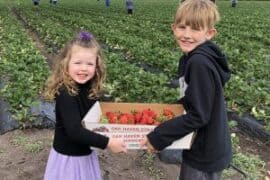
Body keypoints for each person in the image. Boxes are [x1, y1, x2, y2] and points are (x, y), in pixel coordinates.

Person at [140, 0, 232, 180]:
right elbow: (194, 98)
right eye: (182, 27)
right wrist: (169, 111)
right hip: (208, 143)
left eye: (195, 29)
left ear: (210, 33)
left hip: (204, 151)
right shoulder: (195, 57)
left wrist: (158, 136)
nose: (187, 35)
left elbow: (198, 115)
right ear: (173, 28)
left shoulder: (199, 63)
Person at [43, 31, 127, 180]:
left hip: (84, 154)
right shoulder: (65, 94)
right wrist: (108, 142)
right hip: (69, 159)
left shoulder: (89, 89)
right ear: (66, 63)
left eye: (89, 64)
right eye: (78, 63)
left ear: (97, 66)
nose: (84, 68)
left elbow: (93, 120)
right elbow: (75, 131)